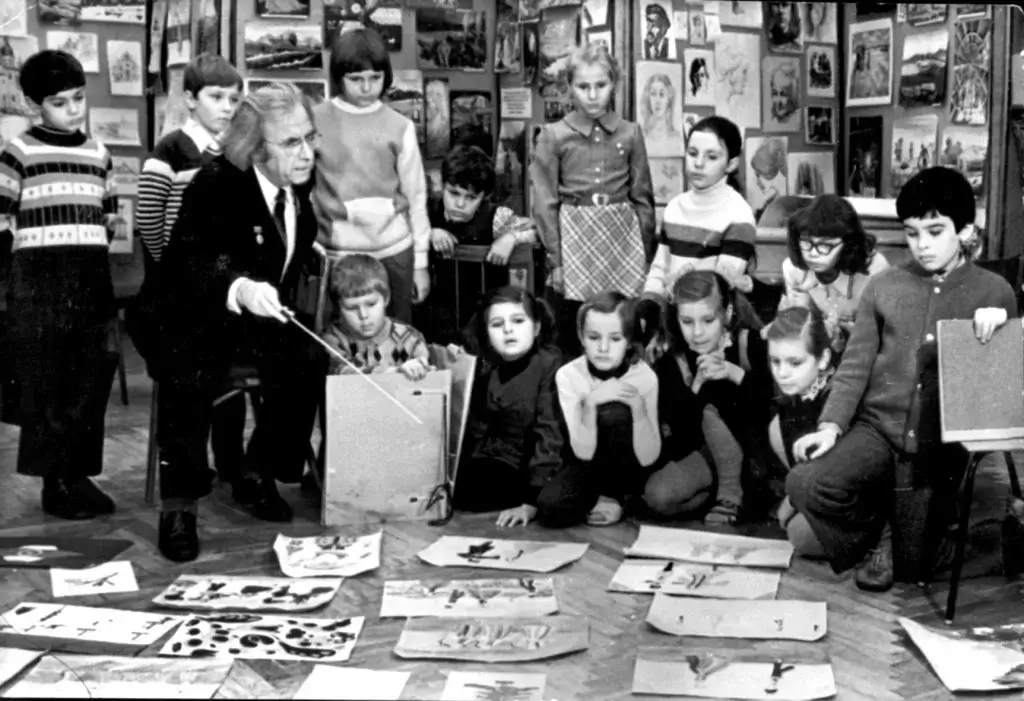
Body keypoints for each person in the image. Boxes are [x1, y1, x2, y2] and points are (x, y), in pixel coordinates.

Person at [782, 167, 1018, 592]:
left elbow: (998, 391)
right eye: (912, 233)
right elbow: (855, 365)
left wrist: (998, 328)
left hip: (936, 447)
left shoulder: (994, 291)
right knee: (805, 483)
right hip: (876, 432)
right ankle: (884, 533)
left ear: (966, 231)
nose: (922, 245)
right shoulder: (884, 286)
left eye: (935, 231)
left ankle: (1000, 541)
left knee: (913, 568)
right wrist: (831, 426)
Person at [155, 82, 326, 562]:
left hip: (254, 319)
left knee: (308, 357)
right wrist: (240, 287)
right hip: (193, 314)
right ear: (254, 147)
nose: (307, 152)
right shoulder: (215, 184)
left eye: (309, 138)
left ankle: (256, 470)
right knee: (188, 370)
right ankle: (179, 506)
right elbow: (190, 262)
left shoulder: (298, 181)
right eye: (291, 142)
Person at [0, 50, 126, 520]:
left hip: (90, 278)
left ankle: (78, 474)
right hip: (39, 284)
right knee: (49, 382)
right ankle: (54, 483)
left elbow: (109, 216)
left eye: (78, 98)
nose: (73, 110)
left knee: (90, 378)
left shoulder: (99, 154)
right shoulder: (19, 153)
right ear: (36, 105)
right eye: (59, 102)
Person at [132, 52, 245, 484]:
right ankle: (187, 474)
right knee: (190, 374)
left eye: (234, 99)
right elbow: (149, 220)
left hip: (222, 291)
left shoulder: (236, 152)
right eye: (216, 97)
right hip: (175, 296)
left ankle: (232, 462)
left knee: (229, 375)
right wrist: (173, 270)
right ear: (191, 99)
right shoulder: (171, 149)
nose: (226, 107)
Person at [531, 43, 655, 357]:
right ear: (569, 87)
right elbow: (544, 203)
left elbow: (643, 197)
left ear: (614, 84)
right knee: (574, 324)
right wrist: (556, 260)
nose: (593, 95)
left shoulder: (630, 133)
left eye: (601, 85)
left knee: (621, 320)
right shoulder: (554, 135)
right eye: (583, 87)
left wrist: (645, 253)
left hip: (622, 240)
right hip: (575, 239)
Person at [311, 26, 430, 325]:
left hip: (394, 252)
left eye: (375, 78)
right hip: (336, 253)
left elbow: (416, 197)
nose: (366, 87)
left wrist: (420, 263)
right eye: (356, 79)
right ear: (338, 77)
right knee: (337, 339)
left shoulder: (400, 126)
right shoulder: (315, 120)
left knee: (397, 335)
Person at [649, 271, 774, 523]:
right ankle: (720, 493)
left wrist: (735, 374)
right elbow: (681, 437)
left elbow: (769, 409)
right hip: (708, 453)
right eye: (687, 321)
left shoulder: (750, 343)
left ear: (727, 313)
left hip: (756, 451)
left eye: (708, 320)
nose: (698, 332)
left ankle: (732, 492)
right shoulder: (672, 361)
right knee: (658, 496)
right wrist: (697, 386)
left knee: (718, 399)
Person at [454, 286, 565, 528]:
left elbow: (550, 433)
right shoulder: (486, 364)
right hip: (490, 458)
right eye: (497, 324)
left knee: (476, 492)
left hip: (530, 465)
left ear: (536, 328)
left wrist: (532, 500)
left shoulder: (549, 365)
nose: (507, 330)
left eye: (518, 321)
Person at [552, 292, 661, 527]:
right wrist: (590, 404)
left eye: (615, 339)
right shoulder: (568, 375)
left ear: (629, 340)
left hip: (630, 464)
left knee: (614, 412)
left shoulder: (645, 376)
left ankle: (616, 495)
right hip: (587, 459)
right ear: (581, 336)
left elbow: (649, 456)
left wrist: (638, 408)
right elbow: (582, 451)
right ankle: (597, 494)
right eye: (593, 337)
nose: (603, 348)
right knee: (553, 507)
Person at [641, 116, 756, 308]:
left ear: (731, 164)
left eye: (712, 157)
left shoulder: (739, 215)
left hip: (710, 316)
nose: (699, 163)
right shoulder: (674, 208)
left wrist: (673, 294)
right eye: (693, 153)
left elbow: (721, 284)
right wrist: (649, 303)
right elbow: (660, 269)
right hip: (672, 313)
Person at [779, 195, 889, 355]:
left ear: (848, 244)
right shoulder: (793, 269)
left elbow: (885, 333)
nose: (813, 254)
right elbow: (801, 327)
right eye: (806, 242)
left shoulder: (874, 269)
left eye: (825, 245)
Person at [321, 253, 431, 379]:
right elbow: (342, 372)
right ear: (338, 307)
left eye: (371, 304)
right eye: (352, 308)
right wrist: (391, 373)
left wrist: (420, 367)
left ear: (386, 299)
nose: (363, 315)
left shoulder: (410, 338)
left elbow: (429, 372)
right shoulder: (333, 339)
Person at [764, 306, 835, 471]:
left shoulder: (835, 401)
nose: (782, 373)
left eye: (795, 363)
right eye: (775, 361)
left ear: (823, 359)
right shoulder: (793, 398)